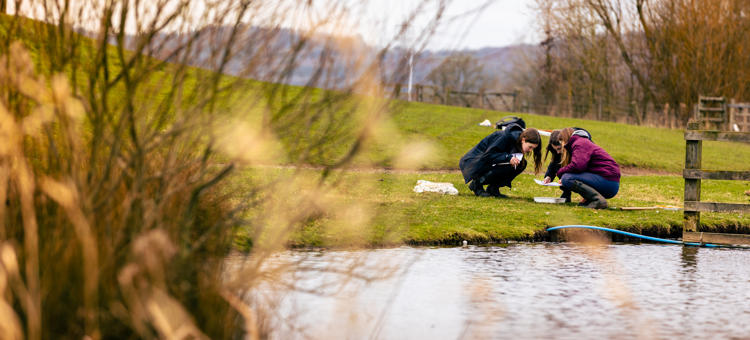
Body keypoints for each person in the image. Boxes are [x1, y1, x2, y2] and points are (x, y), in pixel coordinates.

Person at [459, 121, 543, 197]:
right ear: (523, 140)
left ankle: (493, 188)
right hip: (473, 162)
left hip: (486, 161)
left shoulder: (517, 140)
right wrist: (508, 158)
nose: (530, 150)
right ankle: (477, 184)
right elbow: (488, 155)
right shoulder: (505, 137)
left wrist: (509, 159)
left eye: (533, 148)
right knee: (509, 163)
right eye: (530, 147)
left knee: (521, 164)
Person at [555, 127, 619, 209]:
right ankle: (590, 199)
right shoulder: (582, 142)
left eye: (562, 142)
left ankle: (597, 200)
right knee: (568, 176)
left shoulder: (579, 143)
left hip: (608, 182)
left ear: (565, 139)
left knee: (567, 178)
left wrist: (560, 172)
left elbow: (577, 166)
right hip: (609, 181)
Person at [543, 127, 592, 202]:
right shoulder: (559, 149)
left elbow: (580, 165)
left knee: (566, 174)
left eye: (559, 149)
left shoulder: (579, 144)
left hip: (591, 172)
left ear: (564, 143)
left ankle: (589, 196)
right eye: (555, 150)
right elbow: (555, 161)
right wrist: (549, 175)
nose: (558, 152)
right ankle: (566, 193)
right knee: (561, 170)